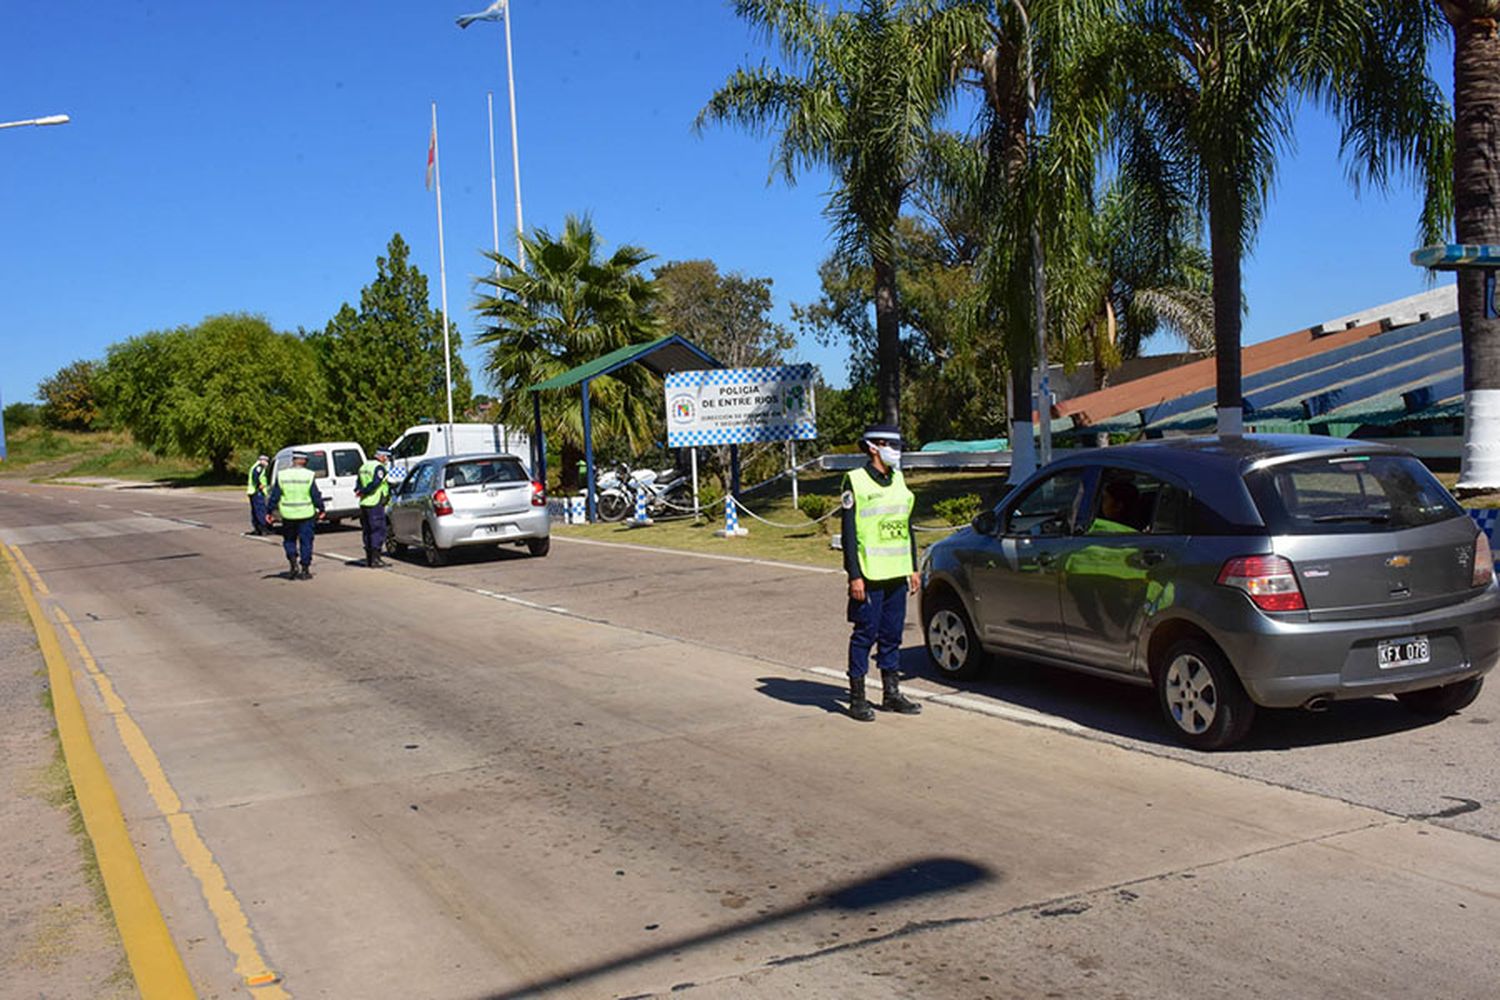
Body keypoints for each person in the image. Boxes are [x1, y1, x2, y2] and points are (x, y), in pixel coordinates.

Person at [840, 423, 922, 721]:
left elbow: (906, 526)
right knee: (865, 634)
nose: (896, 452)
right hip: (870, 574)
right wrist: (854, 575)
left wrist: (913, 566)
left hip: (897, 572)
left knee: (892, 634)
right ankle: (857, 697)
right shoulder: (855, 480)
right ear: (874, 447)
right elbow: (849, 532)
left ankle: (891, 693)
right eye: (891, 445)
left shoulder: (899, 479)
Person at [265, 451, 325, 580]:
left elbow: (275, 496)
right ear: (303, 461)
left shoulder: (282, 475)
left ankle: (293, 563)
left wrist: (269, 511)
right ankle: (305, 569)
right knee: (306, 541)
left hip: (288, 514)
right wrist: (321, 508)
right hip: (306, 513)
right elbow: (315, 494)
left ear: (293, 460)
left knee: (289, 540)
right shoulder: (308, 475)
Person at [355, 447, 392, 567]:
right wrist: (365, 491)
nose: (386, 460)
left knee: (367, 530)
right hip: (374, 502)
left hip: (364, 503)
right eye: (386, 457)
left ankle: (369, 558)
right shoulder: (379, 468)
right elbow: (376, 483)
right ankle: (376, 559)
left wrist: (360, 491)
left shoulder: (364, 466)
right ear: (381, 456)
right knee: (378, 530)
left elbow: (358, 483)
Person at [245, 454, 272, 535]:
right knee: (260, 510)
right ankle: (263, 528)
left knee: (255, 511)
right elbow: (255, 476)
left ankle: (257, 528)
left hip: (253, 492)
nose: (267, 463)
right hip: (257, 492)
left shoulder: (255, 466)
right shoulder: (259, 467)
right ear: (262, 460)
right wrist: (259, 485)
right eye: (266, 461)